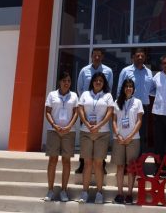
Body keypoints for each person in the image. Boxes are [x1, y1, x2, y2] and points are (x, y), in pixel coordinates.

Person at [77, 72, 115, 204]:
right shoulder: (85, 94)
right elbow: (80, 110)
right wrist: (87, 124)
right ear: (92, 82)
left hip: (102, 133)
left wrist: (99, 125)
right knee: (87, 163)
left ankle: (99, 193)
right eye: (96, 80)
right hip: (86, 132)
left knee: (98, 164)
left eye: (101, 80)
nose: (98, 82)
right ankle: (84, 192)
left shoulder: (108, 96)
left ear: (104, 83)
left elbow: (110, 112)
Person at [76, 48, 114, 174]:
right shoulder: (84, 70)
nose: (97, 57)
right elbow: (80, 88)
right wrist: (87, 102)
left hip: (101, 109)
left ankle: (101, 165)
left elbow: (109, 89)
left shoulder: (108, 71)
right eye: (95, 55)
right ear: (91, 56)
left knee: (101, 138)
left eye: (99, 55)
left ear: (102, 57)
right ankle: (82, 164)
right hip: (87, 108)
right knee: (85, 138)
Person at [43, 71, 79, 202]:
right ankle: (50, 190)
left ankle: (64, 190)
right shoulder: (52, 95)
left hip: (69, 132)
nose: (66, 83)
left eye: (69, 81)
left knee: (66, 161)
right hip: (54, 131)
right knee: (52, 160)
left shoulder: (74, 96)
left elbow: (76, 113)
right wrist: (54, 125)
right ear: (59, 82)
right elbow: (47, 112)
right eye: (64, 80)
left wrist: (69, 126)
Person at [112, 78, 143, 205]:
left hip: (133, 139)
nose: (128, 88)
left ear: (134, 89)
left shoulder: (138, 102)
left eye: (131, 86)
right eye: (126, 86)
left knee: (131, 167)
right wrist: (118, 134)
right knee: (120, 166)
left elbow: (139, 121)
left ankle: (129, 194)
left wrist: (130, 136)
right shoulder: (116, 102)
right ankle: (120, 193)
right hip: (118, 139)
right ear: (123, 88)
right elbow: (114, 120)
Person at [117, 47, 154, 152]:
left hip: (143, 108)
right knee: (127, 131)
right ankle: (127, 158)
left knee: (141, 134)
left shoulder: (149, 72)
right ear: (132, 57)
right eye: (138, 56)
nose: (140, 57)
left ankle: (139, 159)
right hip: (128, 107)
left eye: (142, 56)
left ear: (145, 58)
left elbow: (152, 89)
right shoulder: (125, 71)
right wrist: (119, 106)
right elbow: (119, 89)